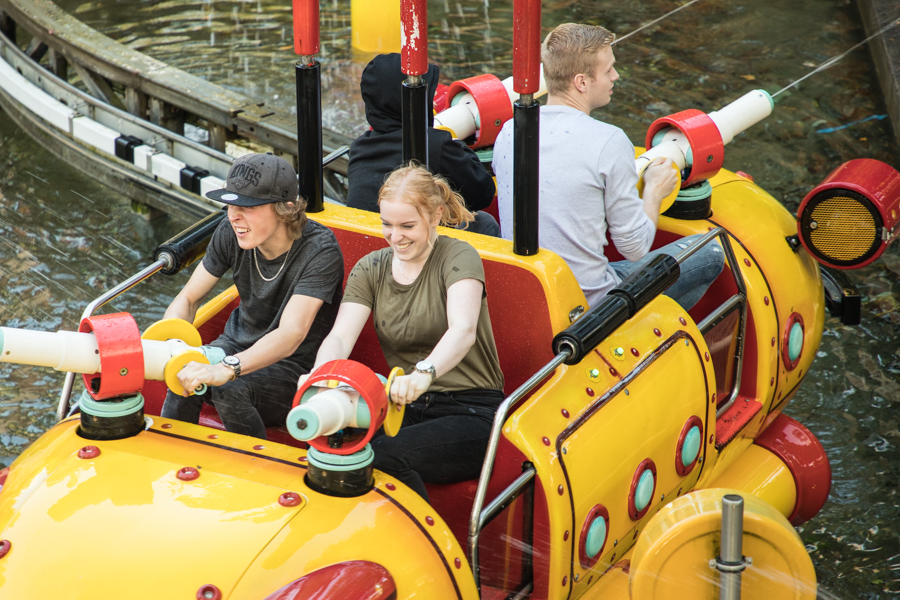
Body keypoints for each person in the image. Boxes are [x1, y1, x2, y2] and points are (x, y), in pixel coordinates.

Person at [301, 163, 505, 502]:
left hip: (471, 409)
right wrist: (321, 378)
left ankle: (426, 549)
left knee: (384, 456)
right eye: (387, 225)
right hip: (402, 404)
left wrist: (424, 373)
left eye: (407, 226)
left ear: (436, 215)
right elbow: (339, 338)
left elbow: (463, 329)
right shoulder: (371, 268)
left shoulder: (458, 256)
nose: (396, 237)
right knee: (338, 443)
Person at [492, 23, 723, 310]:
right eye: (608, 70)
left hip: (529, 294)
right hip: (589, 305)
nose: (616, 76)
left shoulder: (510, 131)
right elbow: (635, 248)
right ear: (582, 82)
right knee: (710, 251)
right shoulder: (608, 140)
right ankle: (639, 330)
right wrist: (653, 190)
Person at [161, 152, 344, 439]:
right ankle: (170, 455)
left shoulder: (320, 250)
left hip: (291, 369)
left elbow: (291, 335)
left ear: (286, 208)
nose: (234, 216)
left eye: (247, 206)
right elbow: (188, 300)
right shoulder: (229, 231)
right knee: (185, 370)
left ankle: (255, 468)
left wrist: (227, 368)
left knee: (227, 386)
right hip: (233, 346)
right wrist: (172, 347)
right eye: (231, 205)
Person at [347, 52, 501, 237]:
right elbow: (482, 192)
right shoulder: (434, 144)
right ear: (415, 99)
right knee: (484, 221)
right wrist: (454, 142)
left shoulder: (359, 147)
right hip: (418, 249)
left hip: (369, 243)